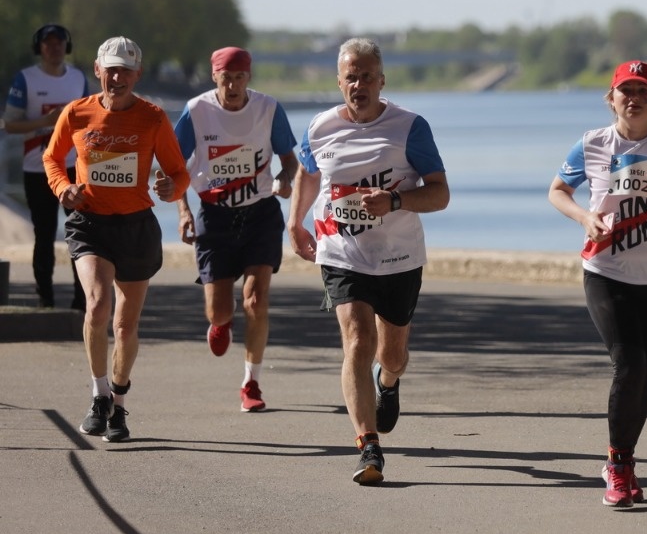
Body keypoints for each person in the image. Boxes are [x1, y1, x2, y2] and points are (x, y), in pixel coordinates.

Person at [288, 37, 450, 485]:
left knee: (392, 354)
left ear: (382, 81)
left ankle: (389, 382)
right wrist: (295, 221)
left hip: (399, 256)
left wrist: (395, 200)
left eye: (366, 77)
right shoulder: (320, 126)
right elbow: (307, 172)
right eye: (350, 77)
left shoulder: (409, 127)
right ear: (339, 82)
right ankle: (368, 446)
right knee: (357, 340)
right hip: (341, 252)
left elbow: (440, 193)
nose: (358, 85)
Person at [547, 60, 647, 508]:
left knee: (645, 375)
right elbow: (557, 190)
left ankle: (626, 459)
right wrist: (585, 218)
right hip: (607, 271)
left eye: (644, 92)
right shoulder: (592, 144)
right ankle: (617, 466)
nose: (634, 99)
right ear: (611, 99)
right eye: (626, 91)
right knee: (629, 365)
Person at [43, 36, 191, 442]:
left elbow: (179, 172)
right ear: (97, 70)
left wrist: (172, 190)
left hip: (135, 227)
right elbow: (52, 158)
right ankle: (98, 395)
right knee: (96, 305)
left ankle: (119, 404)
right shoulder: (76, 113)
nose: (117, 77)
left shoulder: (153, 118)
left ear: (137, 74)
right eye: (111, 70)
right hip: (89, 223)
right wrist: (63, 188)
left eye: (125, 70)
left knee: (125, 326)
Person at [173, 47, 298, 412]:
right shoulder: (197, 111)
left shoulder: (268, 109)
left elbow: (290, 160)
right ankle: (220, 323)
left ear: (248, 78)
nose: (232, 86)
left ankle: (251, 382)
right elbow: (173, 167)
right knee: (219, 311)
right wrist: (184, 212)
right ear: (214, 77)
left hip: (260, 214)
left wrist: (284, 179)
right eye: (225, 78)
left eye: (239, 78)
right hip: (215, 216)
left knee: (255, 300)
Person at [3, 24, 89, 309]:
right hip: (37, 168)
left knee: (80, 233)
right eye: (48, 43)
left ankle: (81, 299)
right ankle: (45, 300)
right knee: (44, 234)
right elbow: (10, 125)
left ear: (67, 46)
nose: (54, 48)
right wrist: (46, 121)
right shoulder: (25, 79)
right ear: (38, 48)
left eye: (59, 42)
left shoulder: (77, 78)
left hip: (74, 168)